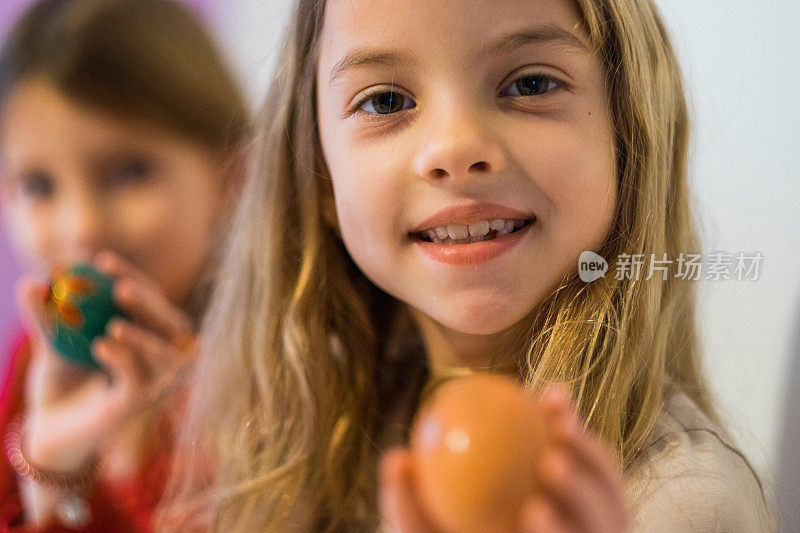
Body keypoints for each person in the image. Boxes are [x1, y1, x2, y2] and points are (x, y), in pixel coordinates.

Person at [157, 0, 777, 531]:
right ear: (318, 171)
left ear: (628, 133)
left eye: (530, 83)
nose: (454, 148)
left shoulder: (685, 501)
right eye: (386, 100)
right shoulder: (311, 441)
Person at [0, 0, 248, 530]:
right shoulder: (34, 365)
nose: (83, 226)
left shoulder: (277, 362)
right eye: (39, 185)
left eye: (128, 172)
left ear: (234, 174)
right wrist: (52, 461)